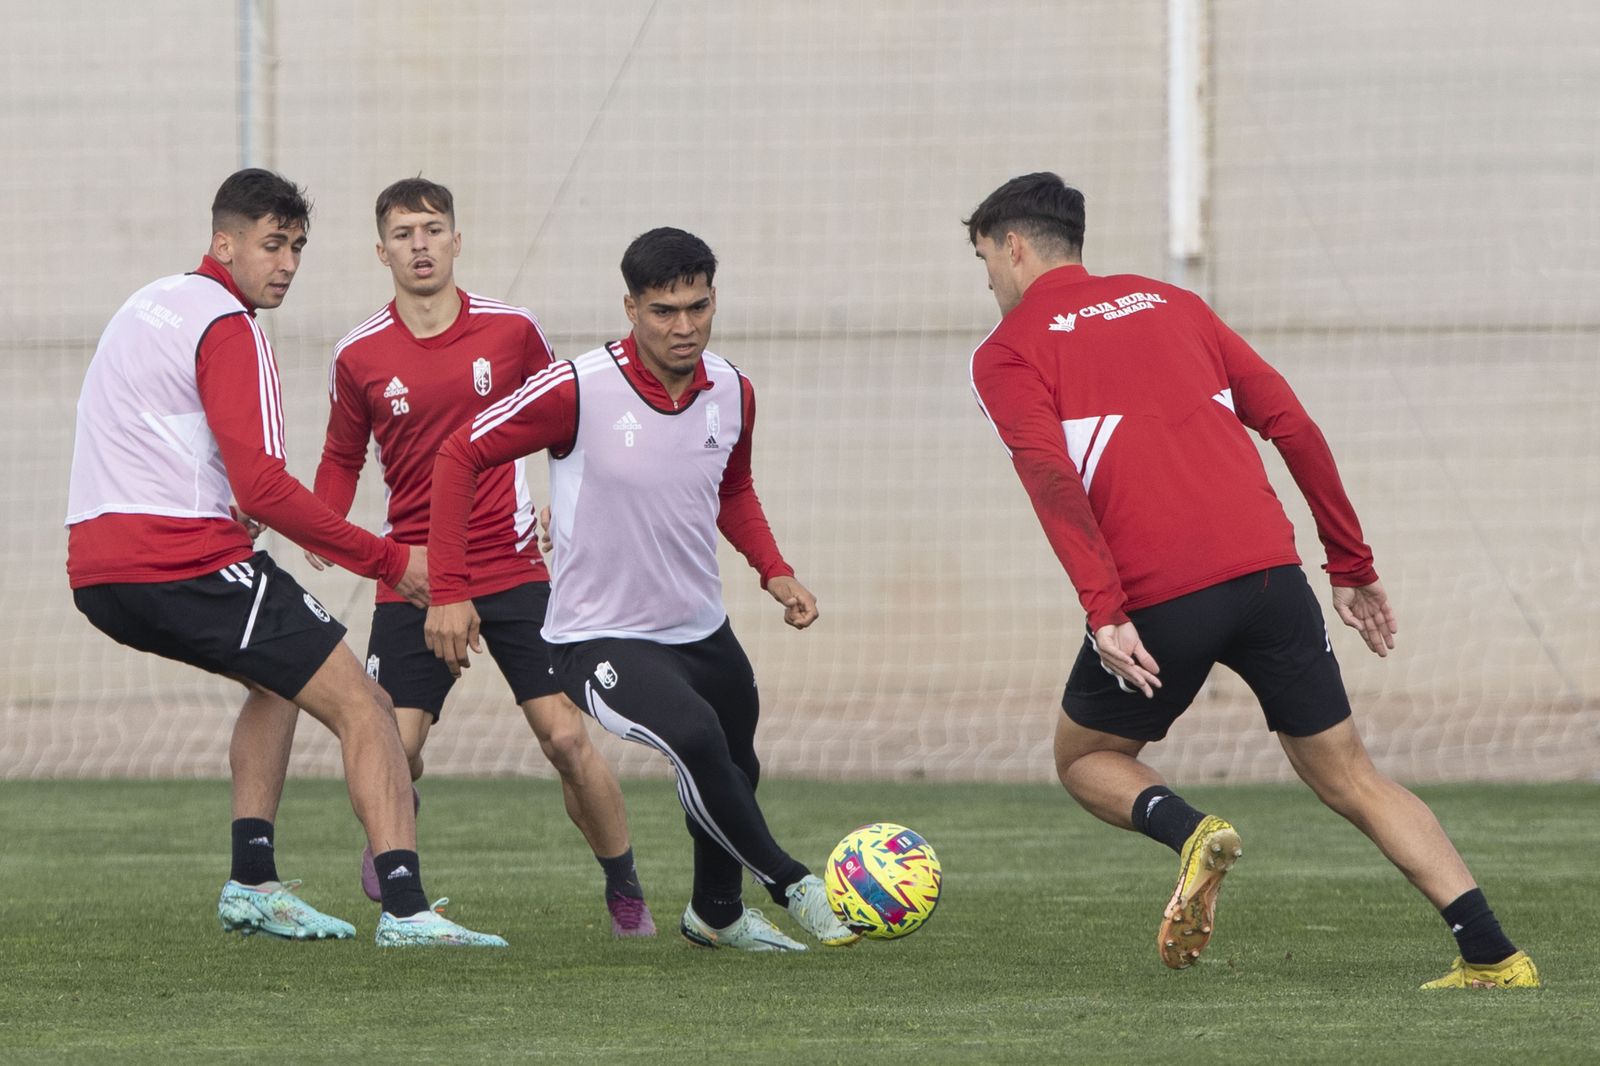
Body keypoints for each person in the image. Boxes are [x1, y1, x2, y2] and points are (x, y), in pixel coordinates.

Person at [963, 172, 1538, 989]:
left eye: (984, 258)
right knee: (1352, 777)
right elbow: (1293, 424)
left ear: (1012, 247)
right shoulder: (1173, 303)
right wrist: (1352, 565)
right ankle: (1494, 954)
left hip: (1162, 595)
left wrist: (1105, 612)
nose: (987, 278)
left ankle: (1191, 831)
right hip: (1273, 574)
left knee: (1087, 757)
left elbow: (1052, 478)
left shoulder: (1008, 351)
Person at [65, 168, 505, 948]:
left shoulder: (149, 303)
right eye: (272, 245)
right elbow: (263, 486)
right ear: (223, 242)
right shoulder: (231, 325)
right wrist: (389, 561)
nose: (287, 264)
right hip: (182, 562)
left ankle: (253, 883)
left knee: (277, 684)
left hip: (97, 571)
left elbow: (149, 436)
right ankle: (407, 911)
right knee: (364, 704)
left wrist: (231, 508)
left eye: (297, 247)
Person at [423, 227, 858, 952]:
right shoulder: (576, 387)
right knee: (692, 738)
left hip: (701, 627)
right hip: (598, 632)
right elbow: (459, 453)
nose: (684, 326)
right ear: (630, 307)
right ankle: (793, 884)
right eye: (664, 310)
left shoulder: (733, 389)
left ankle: (716, 916)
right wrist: (449, 587)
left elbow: (734, 488)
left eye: (698, 306)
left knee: (734, 762)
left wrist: (773, 570)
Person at [290, 176, 651, 936]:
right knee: (395, 745)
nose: (419, 245)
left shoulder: (513, 332)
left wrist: (567, 504)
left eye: (431, 229)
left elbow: (568, 423)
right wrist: (318, 521)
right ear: (380, 250)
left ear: (457, 240)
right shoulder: (357, 354)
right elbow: (340, 457)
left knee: (564, 737)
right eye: (403, 233)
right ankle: (396, 833)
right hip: (416, 575)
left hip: (513, 563)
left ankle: (625, 886)